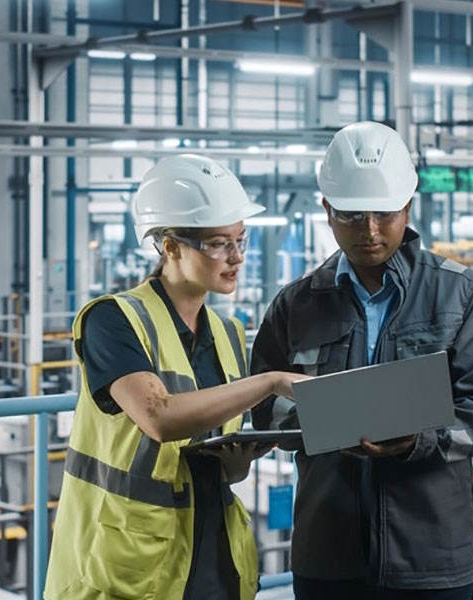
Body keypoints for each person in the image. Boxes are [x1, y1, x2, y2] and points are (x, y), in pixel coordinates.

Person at [251, 122, 473, 600]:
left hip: (431, 555)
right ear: (327, 210)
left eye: (384, 213)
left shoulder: (459, 293)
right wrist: (321, 422)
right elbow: (265, 412)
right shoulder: (295, 306)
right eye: (353, 215)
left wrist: (421, 439)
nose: (370, 231)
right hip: (329, 555)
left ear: (408, 207)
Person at [45, 154, 307, 600]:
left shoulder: (227, 332)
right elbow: (160, 417)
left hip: (211, 557)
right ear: (169, 246)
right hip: (131, 561)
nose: (237, 257)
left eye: (241, 240)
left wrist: (237, 460)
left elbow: (221, 466)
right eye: (219, 244)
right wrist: (270, 381)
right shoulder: (112, 320)